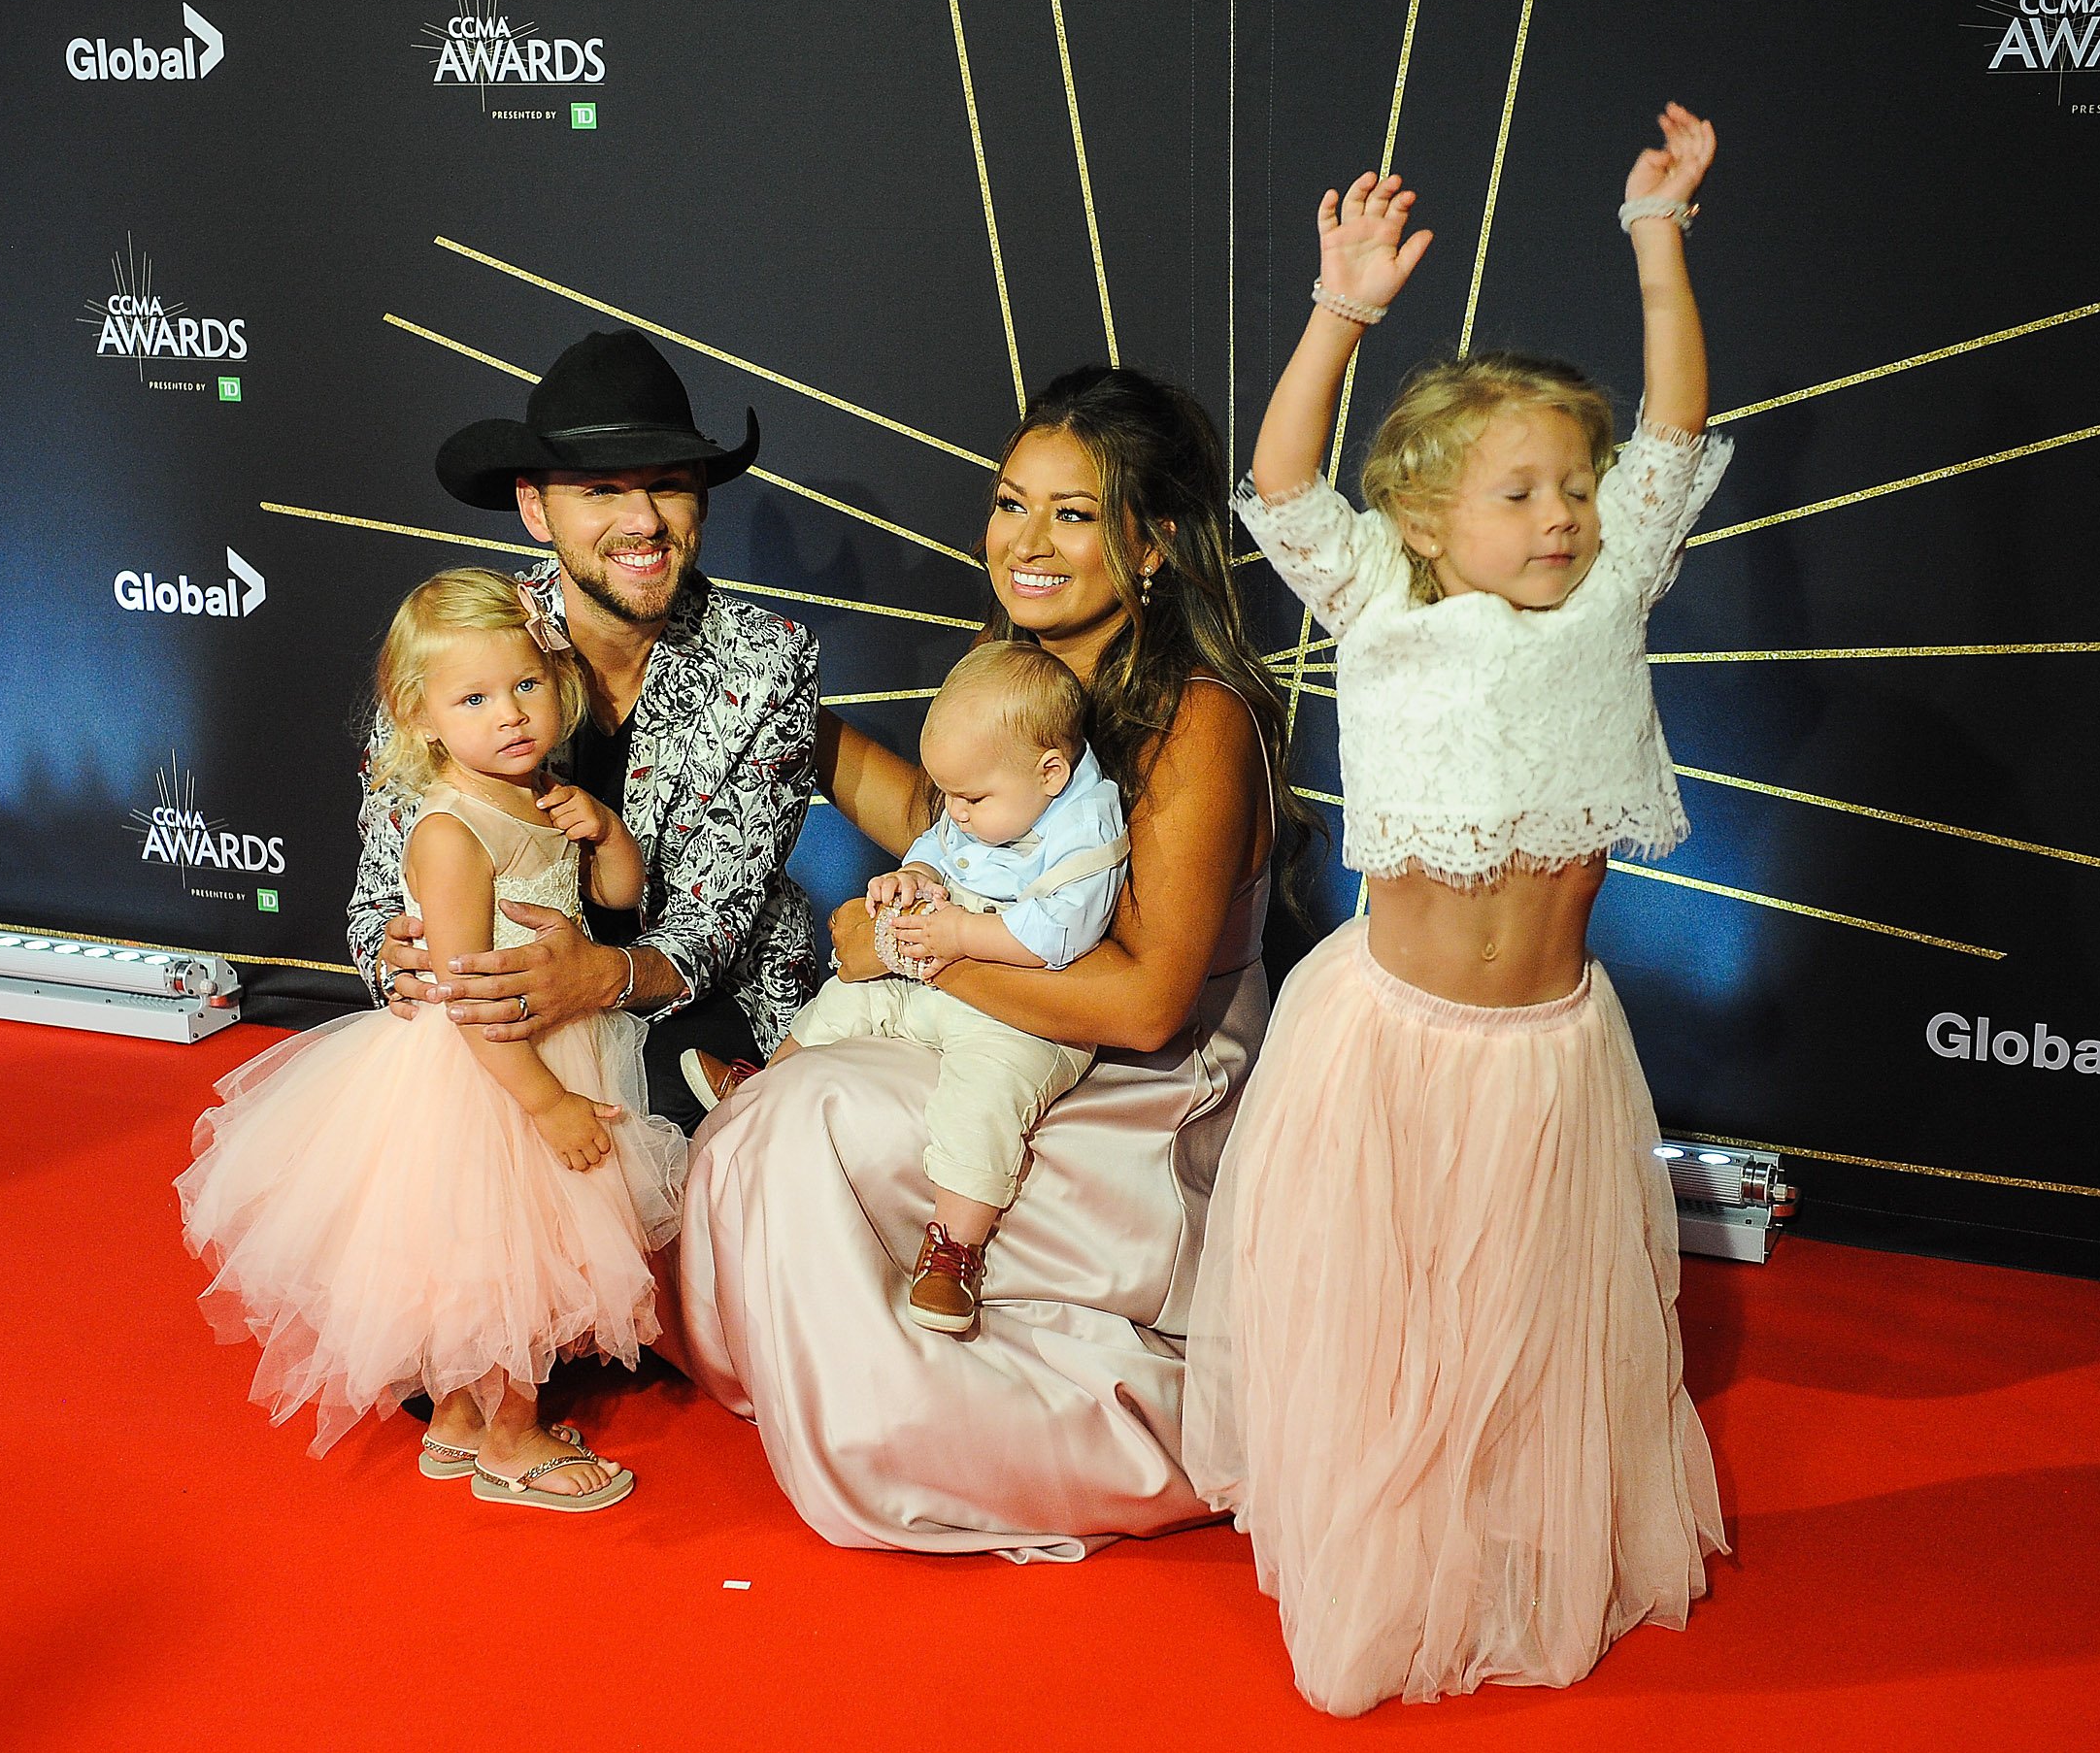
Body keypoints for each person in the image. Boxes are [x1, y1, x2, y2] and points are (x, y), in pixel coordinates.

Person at [1185, 110, 1731, 1711]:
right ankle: (1381, 1547)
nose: (1562, 512)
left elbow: (1677, 426)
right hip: (1388, 1042)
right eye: (1519, 491)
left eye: (1573, 484)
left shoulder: (1612, 594)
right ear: (1426, 523)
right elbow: (1281, 478)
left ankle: (1505, 1539)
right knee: (1391, 1318)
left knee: (1530, 1325)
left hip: (1547, 1049)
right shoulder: (1377, 600)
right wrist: (1341, 311)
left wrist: (1656, 237)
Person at [676, 364, 1313, 1560]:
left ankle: (899, 1426)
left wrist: (911, 951)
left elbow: (1143, 1000)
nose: (1027, 541)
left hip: (1143, 1091)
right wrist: (786, 723)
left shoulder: (1197, 716)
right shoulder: (1028, 675)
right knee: (789, 1105)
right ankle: (837, 1364)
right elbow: (943, 812)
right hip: (1017, 1030)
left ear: (1154, 543)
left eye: (1073, 514)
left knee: (805, 1109)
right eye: (1012, 502)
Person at [179, 569, 686, 1510]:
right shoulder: (450, 832)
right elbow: (462, 989)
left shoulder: (543, 793)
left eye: (527, 685)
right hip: (492, 1072)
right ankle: (513, 1433)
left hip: (548, 1037)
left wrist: (605, 831)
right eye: (476, 698)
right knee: (515, 1260)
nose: (511, 715)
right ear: (419, 717)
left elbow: (620, 900)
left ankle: (456, 1419)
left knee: (487, 1256)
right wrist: (546, 1102)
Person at [350, 328, 822, 1135]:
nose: (644, 520)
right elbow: (378, 898)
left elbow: (720, 921)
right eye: (602, 490)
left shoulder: (769, 664)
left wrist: (596, 978)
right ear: (535, 508)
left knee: (664, 1131)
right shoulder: (472, 645)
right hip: (502, 1013)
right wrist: (401, 964)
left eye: (669, 485)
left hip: (690, 998)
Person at [746, 637, 1128, 1335]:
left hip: (1025, 1011)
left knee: (984, 1096)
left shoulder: (1086, 829)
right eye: (947, 794)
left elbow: (1056, 939)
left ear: (1051, 773)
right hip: (940, 972)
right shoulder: (982, 796)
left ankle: (954, 1246)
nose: (954, 810)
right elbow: (936, 849)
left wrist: (957, 938)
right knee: (848, 997)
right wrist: (914, 881)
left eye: (970, 797)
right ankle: (766, 1085)